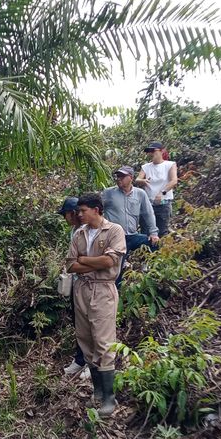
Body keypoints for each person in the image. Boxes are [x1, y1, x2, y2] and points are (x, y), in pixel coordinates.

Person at [65, 192, 127, 417]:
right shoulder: (78, 234)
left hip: (103, 289)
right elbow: (71, 265)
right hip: (81, 289)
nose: (78, 215)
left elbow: (110, 261)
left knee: (104, 342)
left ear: (96, 210)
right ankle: (98, 393)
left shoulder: (114, 231)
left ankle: (110, 398)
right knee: (86, 339)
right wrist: (90, 263)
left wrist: (84, 260)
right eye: (78, 211)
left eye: (82, 211)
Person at [102, 166, 159, 285]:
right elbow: (95, 209)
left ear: (131, 178)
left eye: (122, 176)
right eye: (118, 176)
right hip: (115, 238)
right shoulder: (108, 193)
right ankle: (115, 292)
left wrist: (153, 233)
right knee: (116, 270)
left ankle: (147, 275)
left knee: (154, 244)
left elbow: (148, 213)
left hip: (132, 236)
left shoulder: (140, 194)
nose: (119, 179)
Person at [57, 197, 91, 387]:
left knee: (90, 324)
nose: (65, 219)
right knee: (79, 323)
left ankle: (91, 363)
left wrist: (76, 265)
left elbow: (84, 259)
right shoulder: (74, 232)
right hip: (77, 283)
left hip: (88, 284)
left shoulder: (87, 232)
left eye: (65, 214)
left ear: (73, 213)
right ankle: (80, 360)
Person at [138, 141, 178, 235]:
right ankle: (146, 249)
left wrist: (162, 192)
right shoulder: (146, 167)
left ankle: (160, 249)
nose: (150, 153)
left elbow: (174, 181)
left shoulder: (169, 165)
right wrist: (142, 181)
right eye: (149, 151)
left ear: (161, 151)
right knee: (146, 231)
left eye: (153, 151)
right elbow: (138, 179)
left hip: (163, 204)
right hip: (148, 204)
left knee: (161, 231)